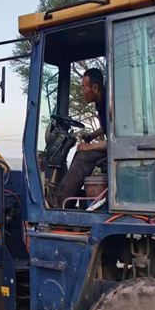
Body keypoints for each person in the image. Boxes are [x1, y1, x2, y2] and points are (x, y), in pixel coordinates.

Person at [56, 68, 107, 208]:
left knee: (84, 155)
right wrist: (91, 136)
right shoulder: (100, 102)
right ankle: (69, 202)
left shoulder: (110, 103)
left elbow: (115, 141)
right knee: (81, 151)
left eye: (84, 87)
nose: (82, 91)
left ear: (94, 88)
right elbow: (108, 127)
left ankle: (60, 205)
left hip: (118, 151)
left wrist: (89, 146)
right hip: (113, 147)